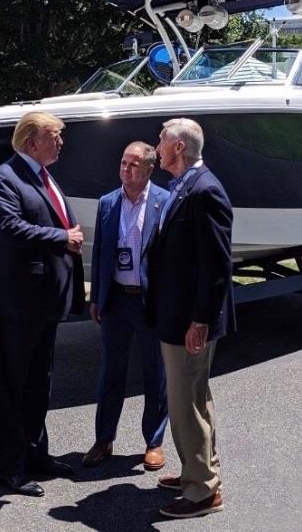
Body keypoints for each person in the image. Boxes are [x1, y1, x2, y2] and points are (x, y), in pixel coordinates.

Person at [0, 111, 85, 497]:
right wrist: (62, 236)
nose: (61, 141)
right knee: (12, 386)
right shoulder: (4, 179)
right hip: (17, 303)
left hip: (43, 303)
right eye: (55, 135)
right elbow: (10, 228)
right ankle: (9, 469)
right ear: (31, 142)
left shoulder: (43, 175)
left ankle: (36, 456)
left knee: (39, 384)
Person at [147, 117, 235, 519]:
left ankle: (201, 492)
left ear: (178, 147)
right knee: (193, 400)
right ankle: (198, 472)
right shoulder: (181, 187)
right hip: (176, 315)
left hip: (189, 321)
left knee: (186, 404)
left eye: (161, 140)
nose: (156, 147)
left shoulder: (205, 191)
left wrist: (201, 320)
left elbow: (216, 264)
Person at [82, 142, 170, 470]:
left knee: (155, 374)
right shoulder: (107, 203)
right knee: (110, 373)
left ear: (149, 169)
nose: (126, 169)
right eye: (123, 163)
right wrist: (97, 298)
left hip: (150, 303)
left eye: (134, 165)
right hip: (117, 300)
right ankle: (103, 440)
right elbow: (101, 252)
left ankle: (154, 442)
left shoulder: (165, 202)